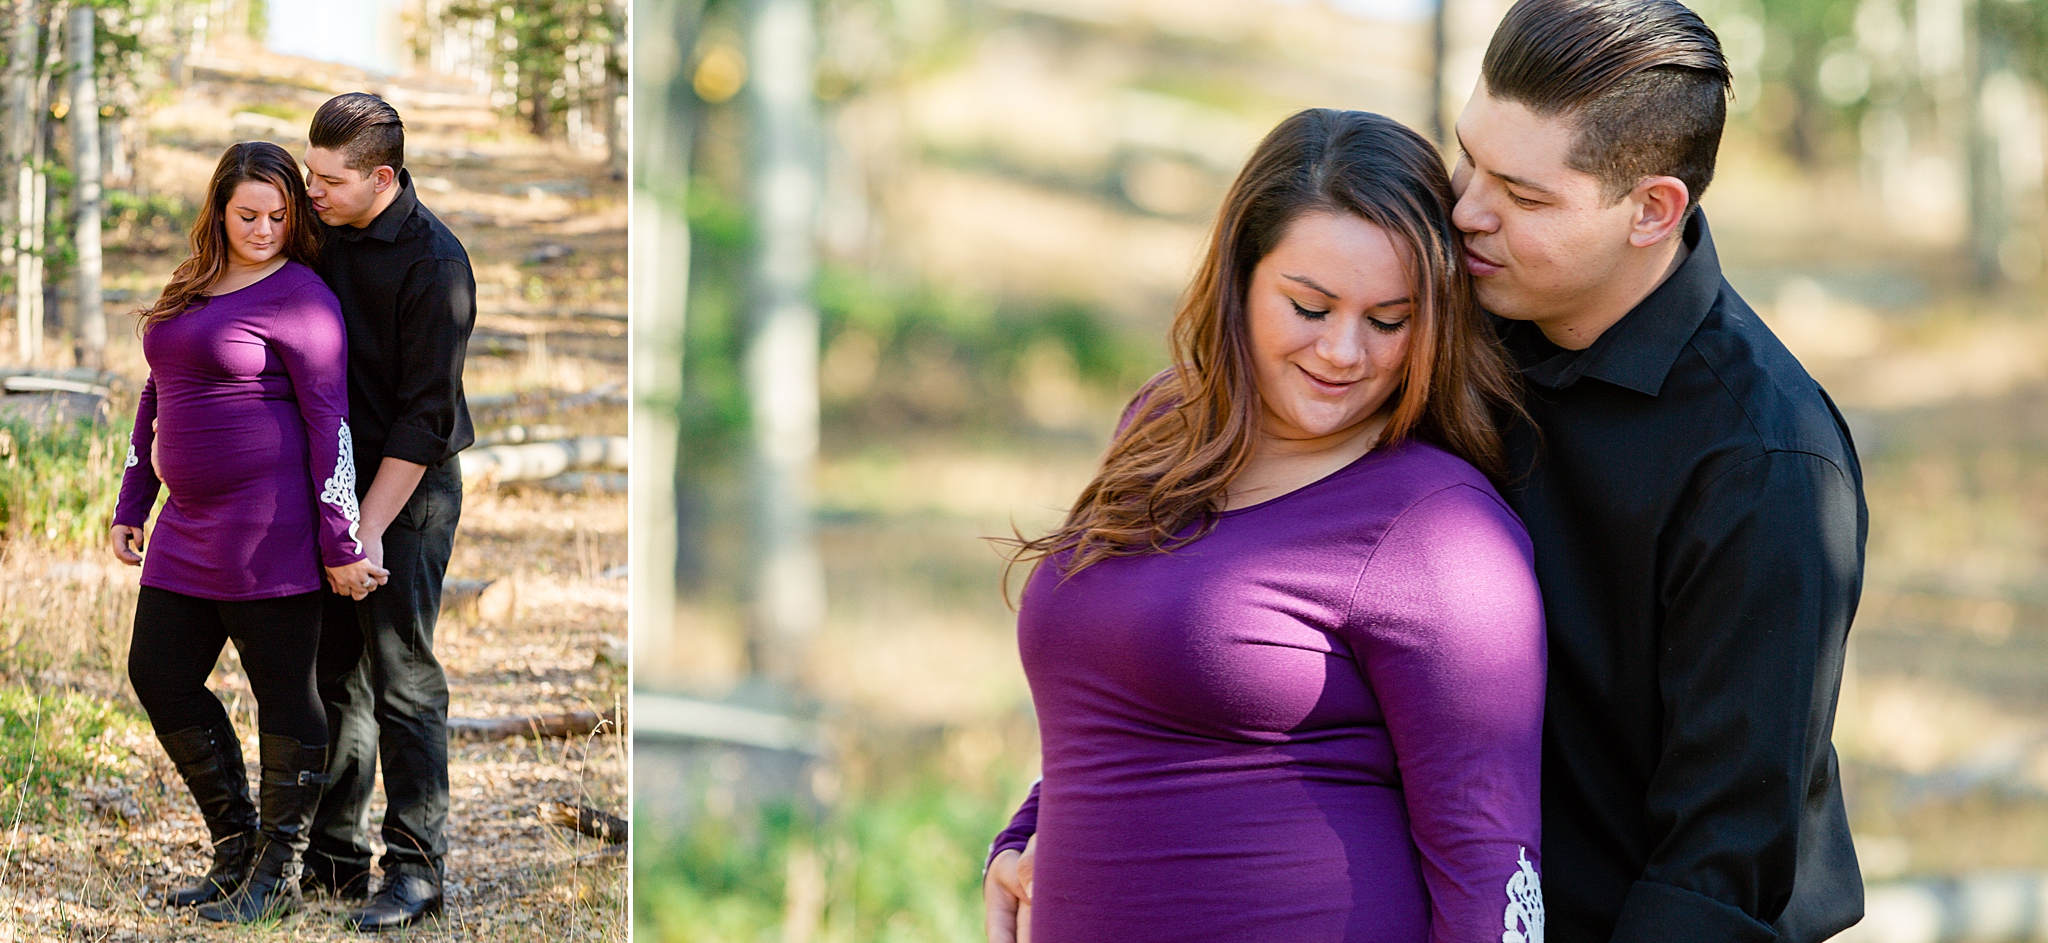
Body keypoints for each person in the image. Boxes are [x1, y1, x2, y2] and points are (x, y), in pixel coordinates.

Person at [981, 109, 1547, 943]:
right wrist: (1026, 835)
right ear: (1241, 276)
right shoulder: (1167, 425)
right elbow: (1119, 687)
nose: (1345, 352)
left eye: (1389, 320)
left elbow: (1491, 873)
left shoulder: (1441, 532)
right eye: (1310, 307)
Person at [1451, 0, 1866, 938]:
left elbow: (1715, 870)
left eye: (1523, 195)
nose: (1467, 210)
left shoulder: (1767, 465)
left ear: (1652, 209)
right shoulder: (1444, 306)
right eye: (1467, 155)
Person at [111, 141, 388, 923]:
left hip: (273, 532)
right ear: (219, 211)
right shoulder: (191, 283)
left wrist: (341, 542)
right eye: (247, 215)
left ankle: (279, 872)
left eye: (278, 215)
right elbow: (153, 394)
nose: (263, 228)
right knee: (157, 671)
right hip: (184, 526)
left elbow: (329, 427)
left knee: (285, 697)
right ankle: (235, 850)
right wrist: (133, 499)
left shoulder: (302, 297)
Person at [296, 91, 477, 931]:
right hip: (329, 482)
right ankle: (334, 857)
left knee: (401, 675)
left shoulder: (434, 265)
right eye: (308, 172)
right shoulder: (322, 223)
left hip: (406, 492)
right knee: (336, 673)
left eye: (328, 178)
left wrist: (363, 527)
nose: (312, 190)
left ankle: (416, 868)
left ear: (383, 176)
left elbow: (424, 420)